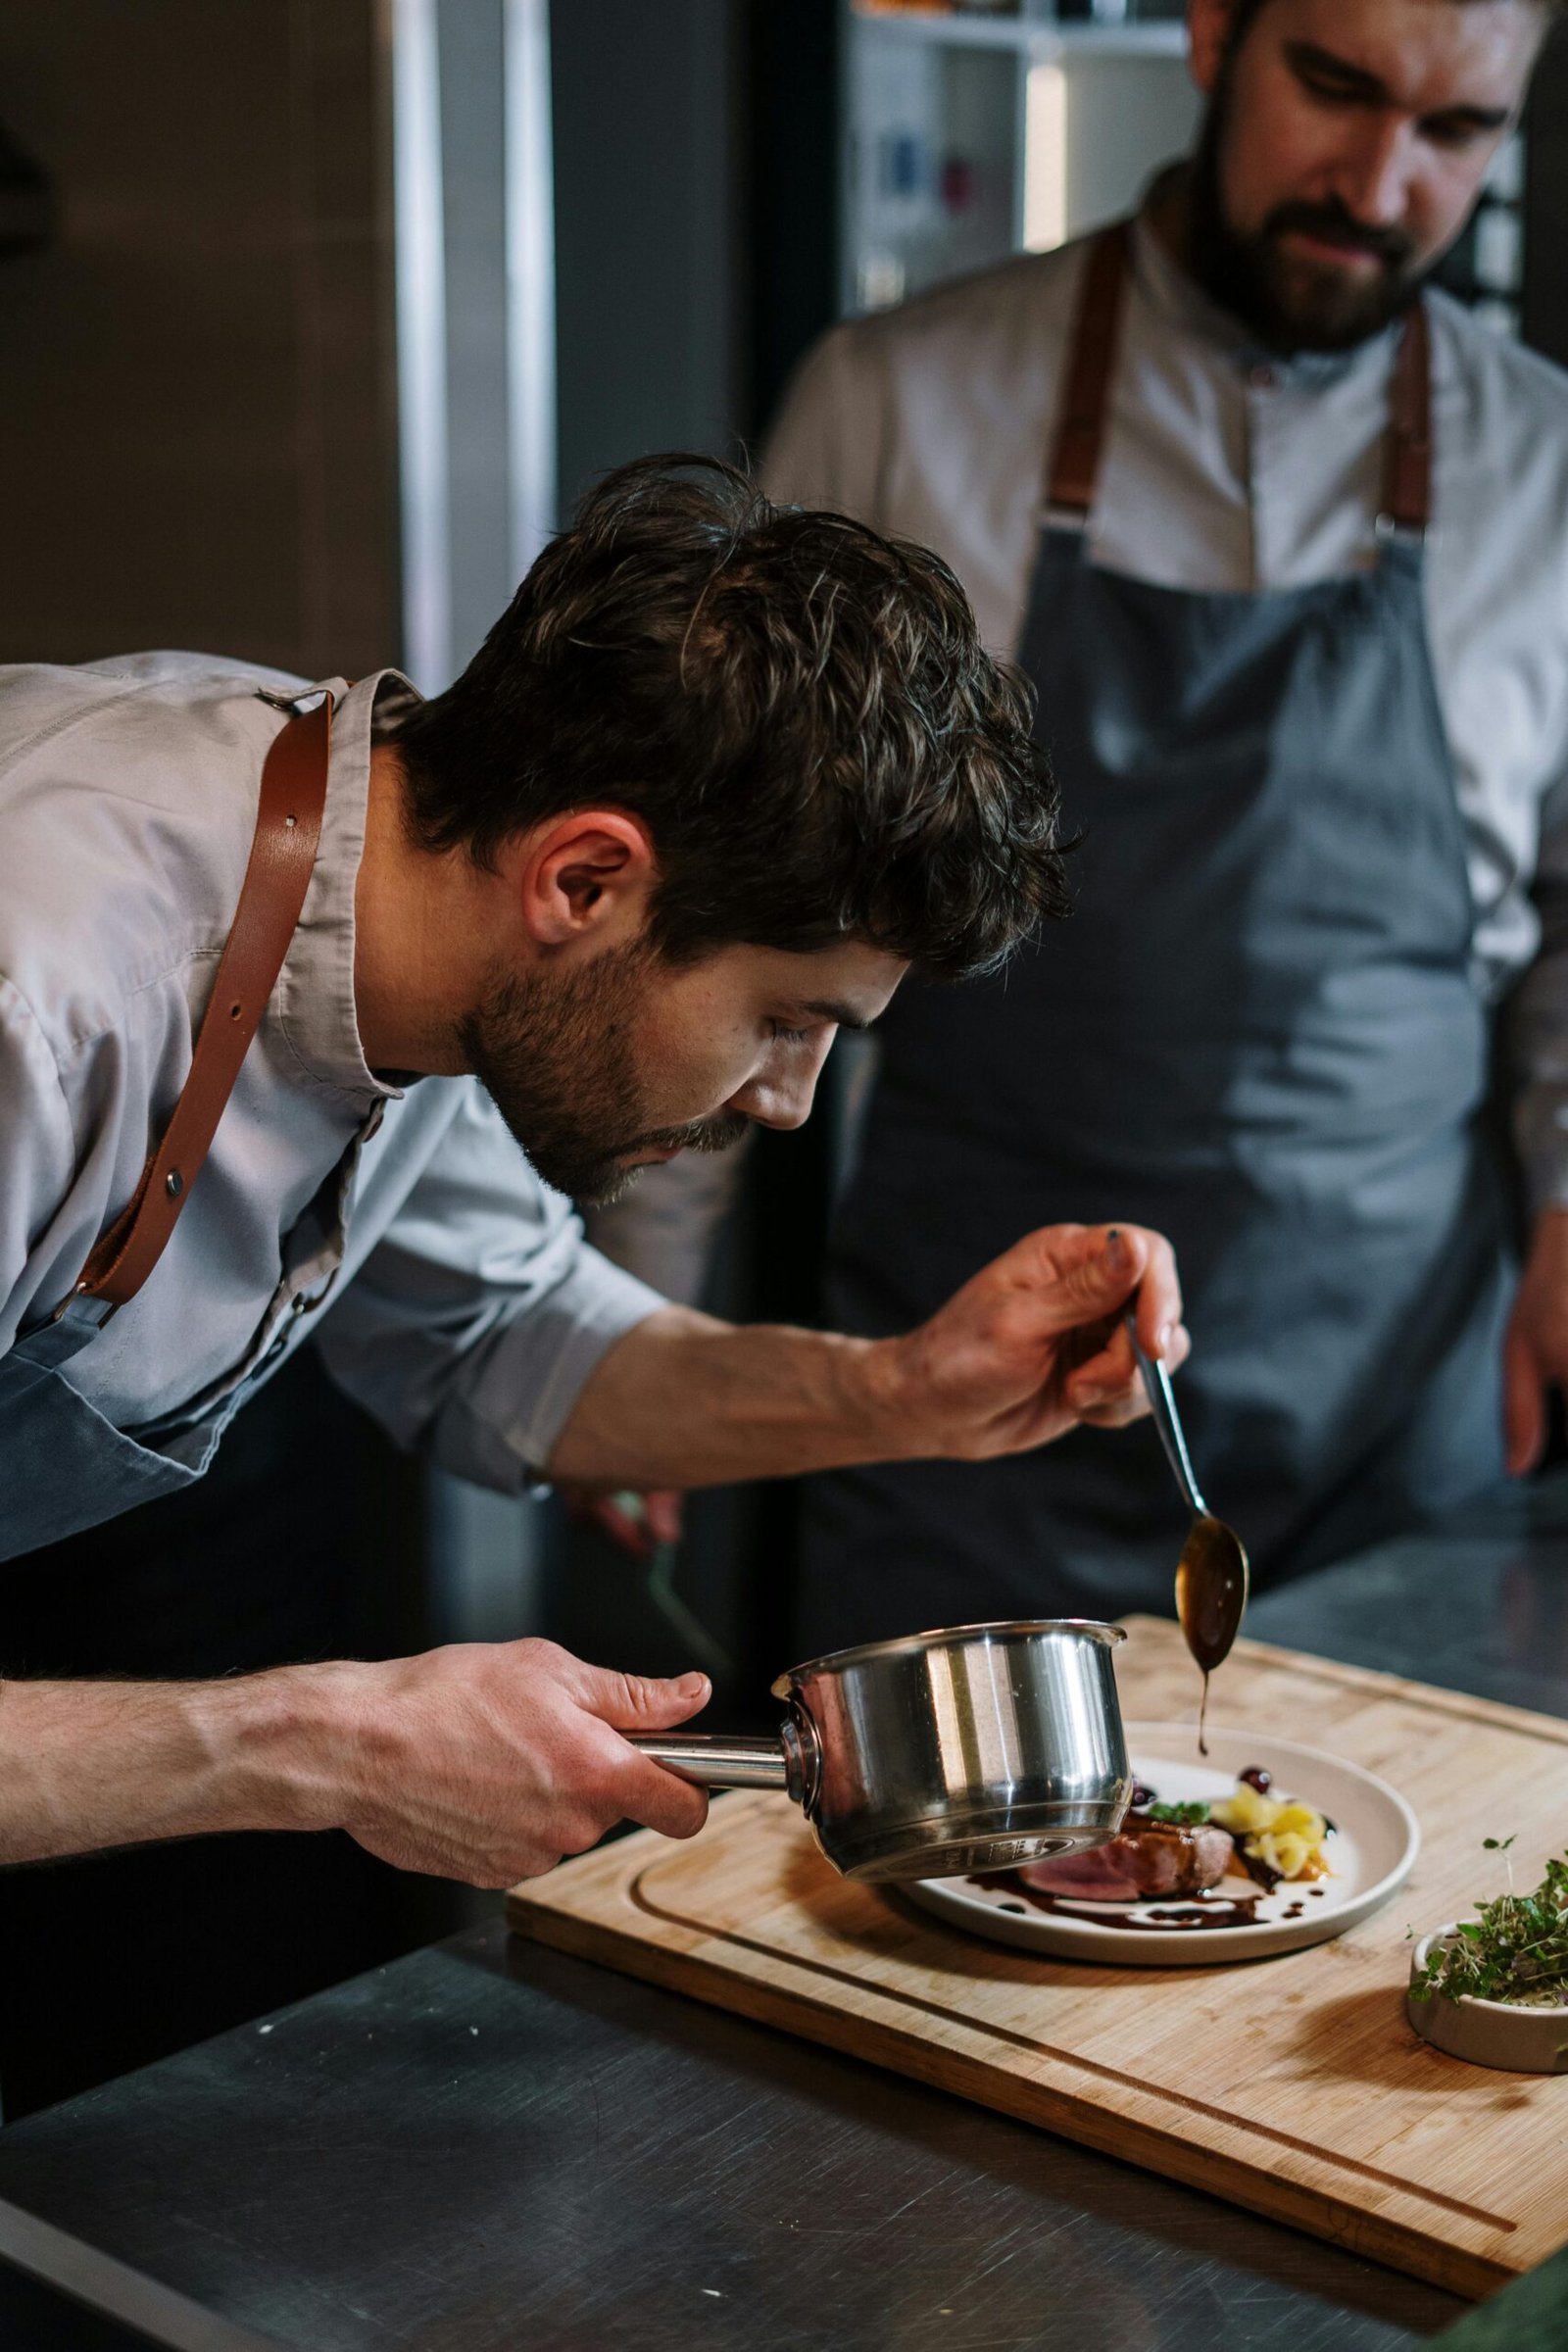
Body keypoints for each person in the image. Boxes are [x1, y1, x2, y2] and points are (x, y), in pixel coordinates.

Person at [0, 456, 1187, 1887]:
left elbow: (508, 1340)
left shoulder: (409, 885)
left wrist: (906, 1392)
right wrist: (326, 1745)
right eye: (785, 1020)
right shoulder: (43, 1006)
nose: (792, 1100)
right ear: (583, 881)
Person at [603, 0, 1568, 1656]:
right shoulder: (901, 402)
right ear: (1213, 33)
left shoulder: (1550, 466)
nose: (1378, 177)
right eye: (1331, 86)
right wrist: (637, 1330)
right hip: (963, 1401)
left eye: (1455, 131)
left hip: (1393, 1412)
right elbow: (723, 891)